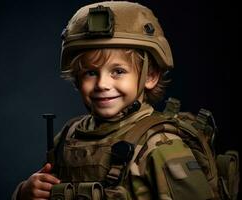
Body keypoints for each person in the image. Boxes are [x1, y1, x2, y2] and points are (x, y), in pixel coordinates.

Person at [12, 1, 217, 199]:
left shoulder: (161, 145)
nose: (102, 84)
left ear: (150, 76)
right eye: (91, 73)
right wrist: (25, 193)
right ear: (77, 78)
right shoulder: (69, 136)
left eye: (118, 71)